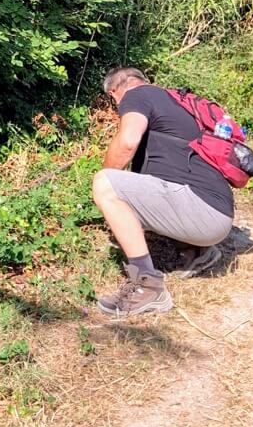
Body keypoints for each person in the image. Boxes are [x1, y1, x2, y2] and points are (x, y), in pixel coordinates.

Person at [92, 66, 234, 318]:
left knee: (105, 183)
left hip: (201, 213)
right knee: (150, 184)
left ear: (115, 92)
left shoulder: (136, 96)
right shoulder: (175, 102)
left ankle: (148, 286)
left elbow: (127, 143)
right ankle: (197, 252)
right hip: (218, 212)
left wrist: (106, 181)